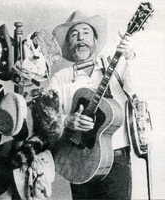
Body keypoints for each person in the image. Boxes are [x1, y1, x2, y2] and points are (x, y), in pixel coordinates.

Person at [49, 11, 136, 200]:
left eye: (86, 32)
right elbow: (47, 116)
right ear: (69, 45)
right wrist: (67, 121)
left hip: (116, 161)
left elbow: (135, 91)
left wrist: (130, 57)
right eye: (74, 34)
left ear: (95, 40)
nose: (80, 38)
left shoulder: (116, 66)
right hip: (77, 160)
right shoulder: (60, 78)